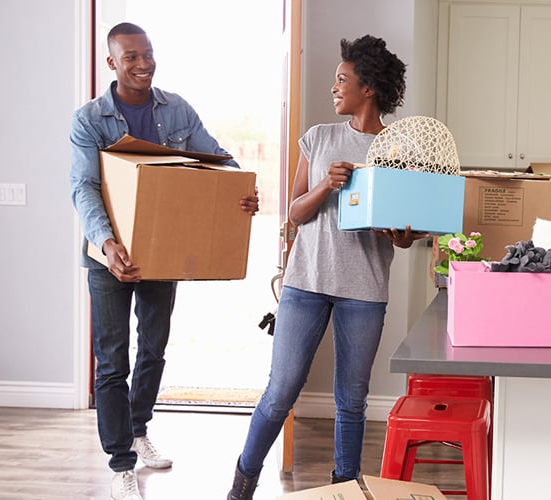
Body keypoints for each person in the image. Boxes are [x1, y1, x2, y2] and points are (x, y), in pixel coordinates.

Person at [227, 34, 429, 499]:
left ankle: (343, 489)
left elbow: (405, 234)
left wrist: (402, 235)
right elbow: (295, 213)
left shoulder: (401, 151)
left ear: (370, 87)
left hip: (365, 289)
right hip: (306, 283)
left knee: (352, 402)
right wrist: (326, 185)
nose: (334, 88)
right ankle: (242, 484)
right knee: (280, 394)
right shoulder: (318, 138)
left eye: (342, 79)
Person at [69, 22, 259, 500]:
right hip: (109, 256)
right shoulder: (91, 119)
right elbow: (84, 187)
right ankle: (121, 461)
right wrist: (109, 244)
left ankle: (138, 429)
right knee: (112, 361)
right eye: (130, 56)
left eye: (147, 53)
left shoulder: (176, 109)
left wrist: (238, 192)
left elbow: (216, 160)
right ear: (112, 63)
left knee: (153, 348)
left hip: (161, 250)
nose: (142, 63)